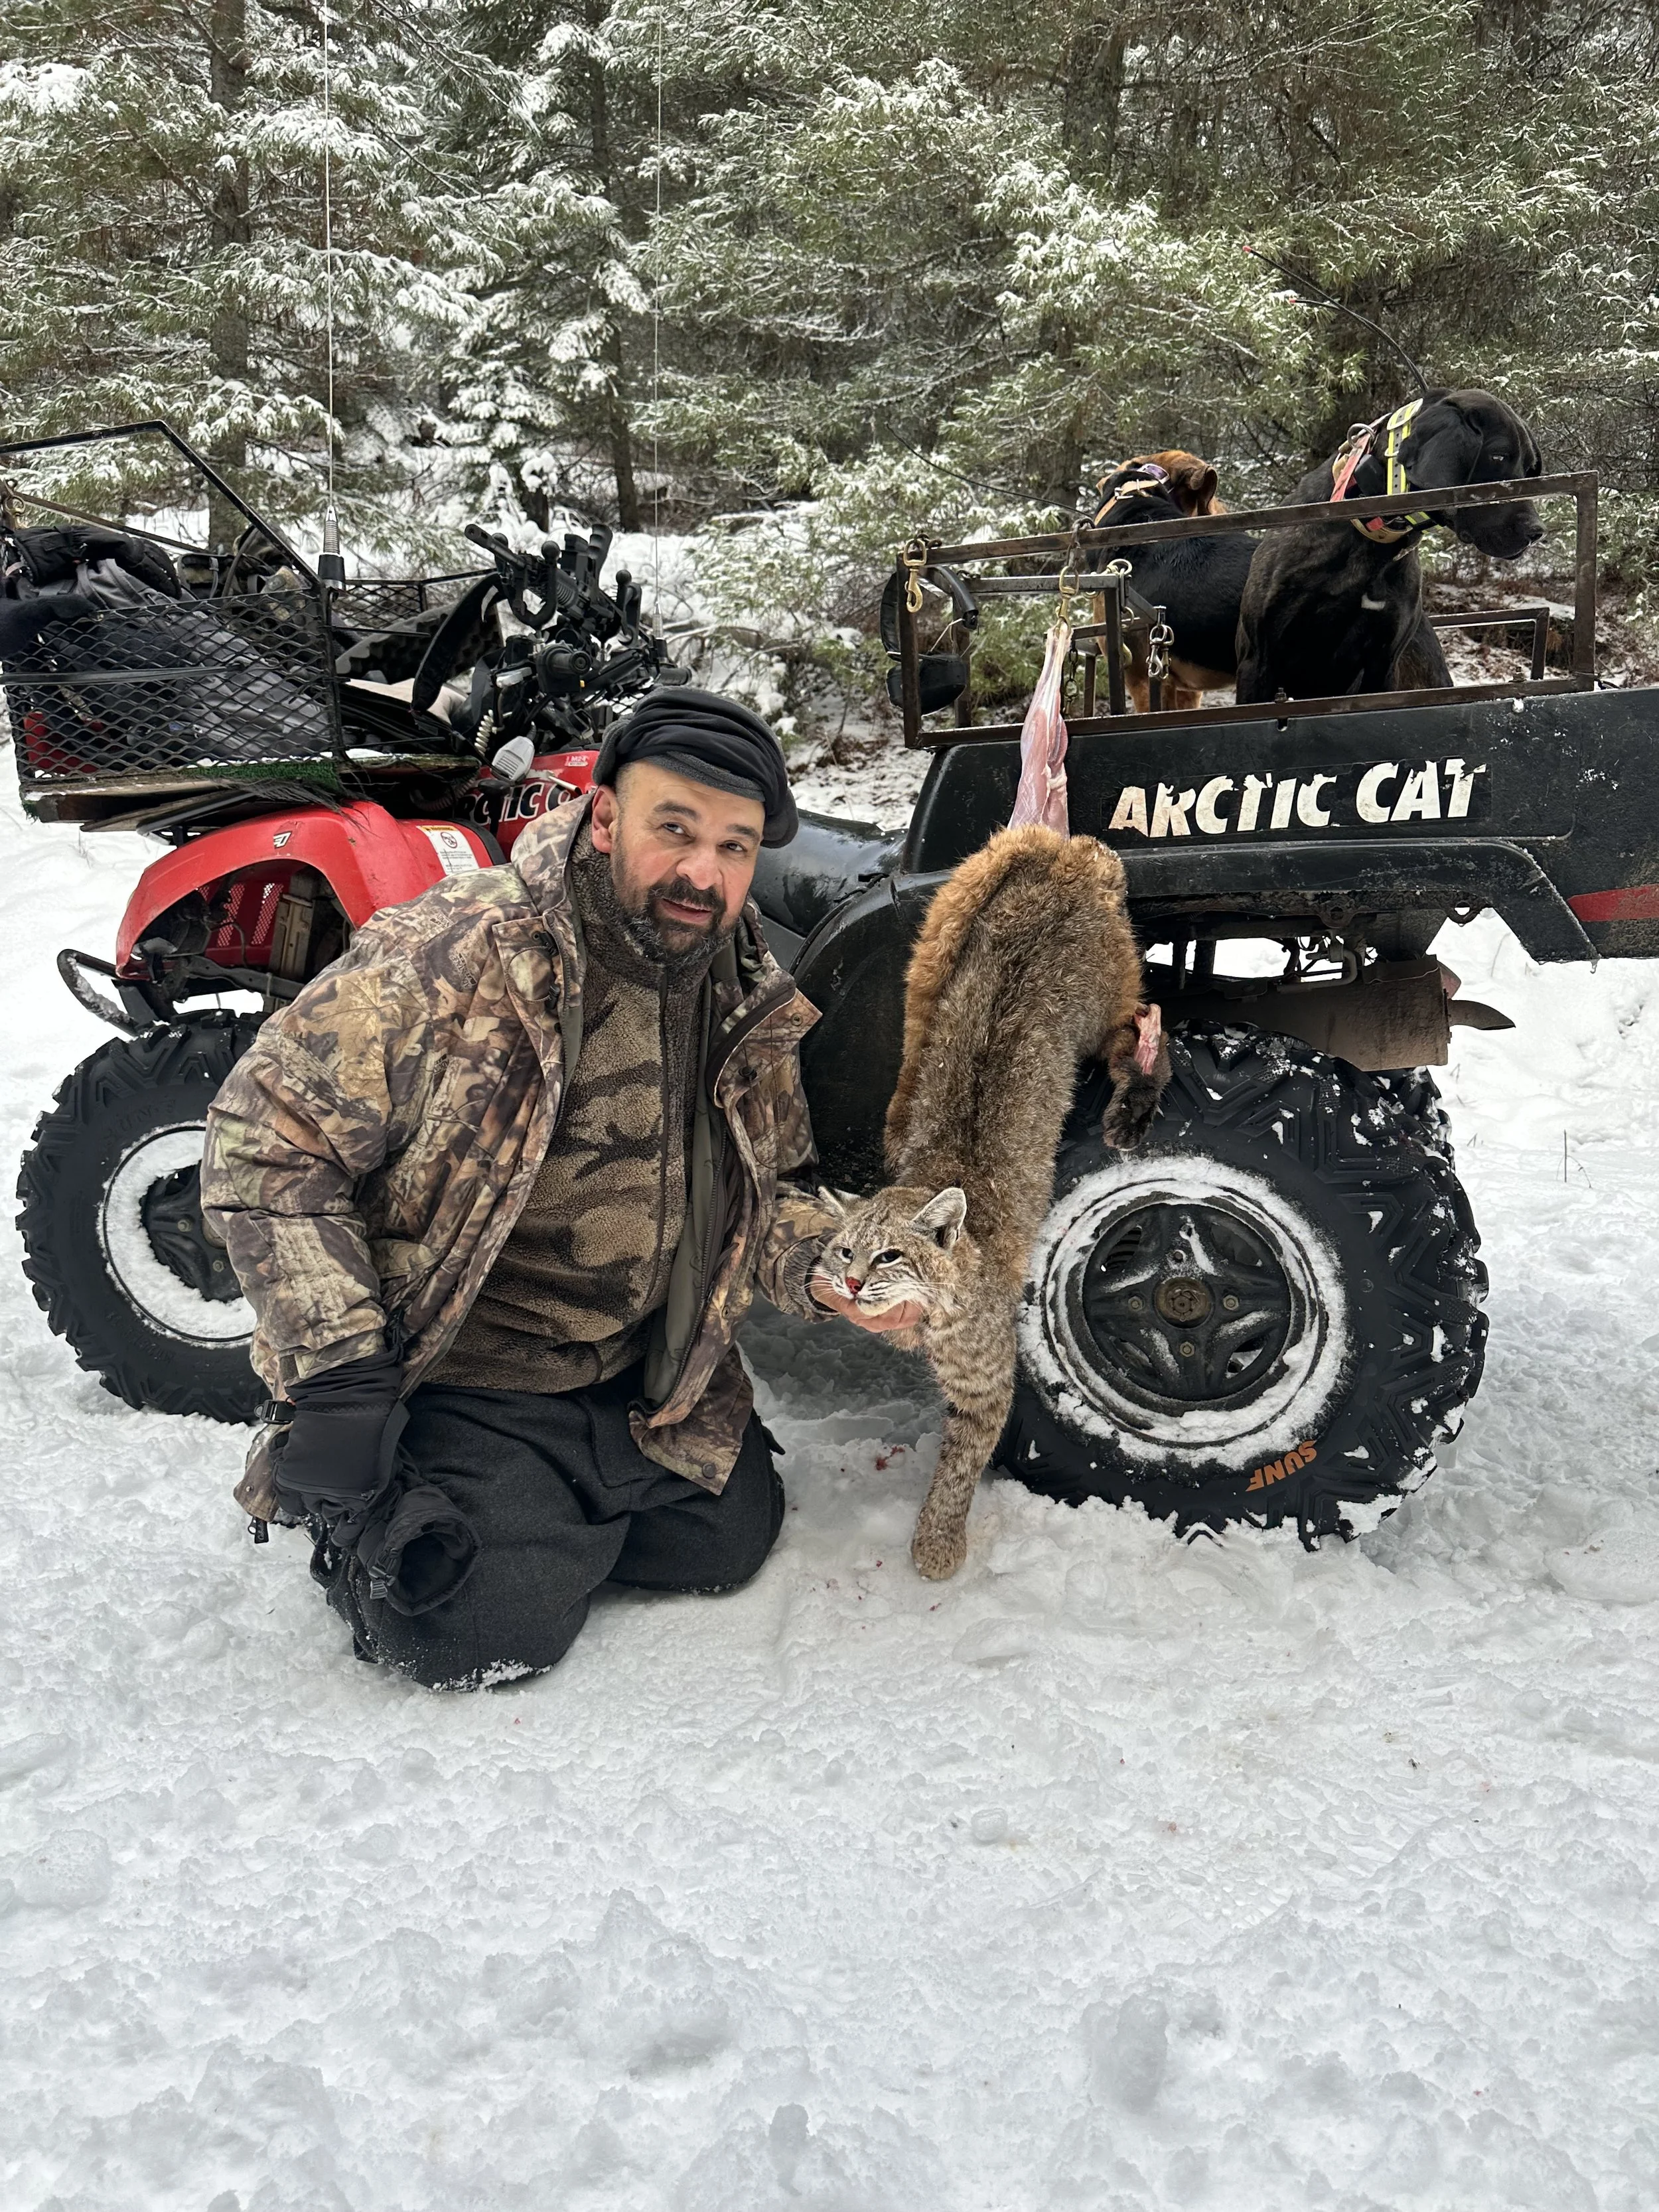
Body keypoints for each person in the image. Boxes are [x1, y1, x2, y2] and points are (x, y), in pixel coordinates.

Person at [202, 689, 915, 1688]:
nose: (703, 875)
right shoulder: (454, 951)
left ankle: (543, 1513)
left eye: (736, 848)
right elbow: (261, 1138)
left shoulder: (743, 984)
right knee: (472, 1630)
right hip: (468, 1370)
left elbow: (775, 1182)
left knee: (728, 1542)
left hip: (634, 1374)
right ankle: (403, 1511)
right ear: (608, 816)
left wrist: (828, 1269)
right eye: (675, 830)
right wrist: (341, 1369)